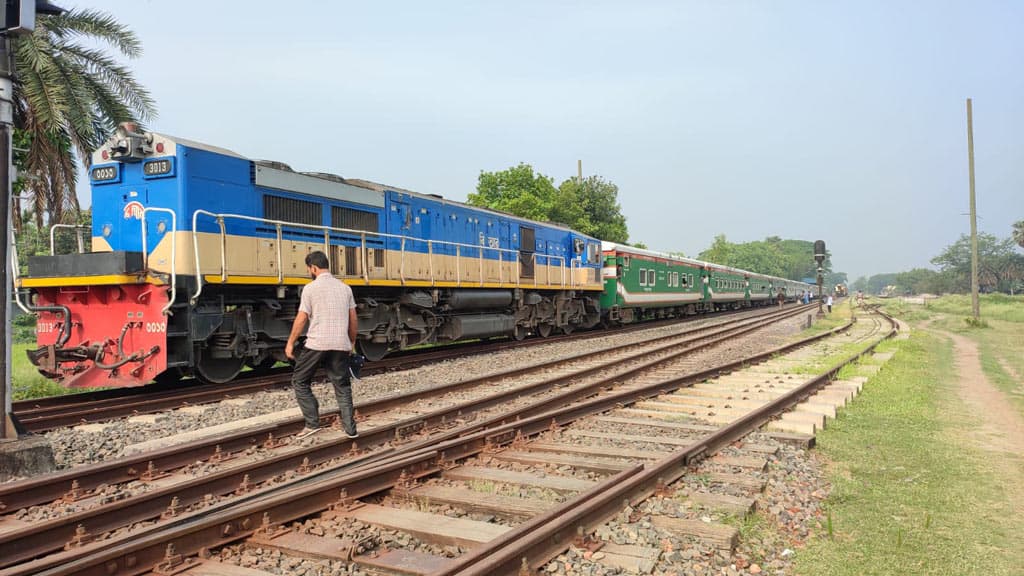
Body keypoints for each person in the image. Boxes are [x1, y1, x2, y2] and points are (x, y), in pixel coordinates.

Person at [285, 251, 359, 439]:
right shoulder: (345, 288)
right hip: (340, 343)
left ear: (314, 268)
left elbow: (301, 319)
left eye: (309, 268)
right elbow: (353, 320)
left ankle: (312, 423)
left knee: (300, 381)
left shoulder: (310, 288)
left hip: (317, 343)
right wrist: (351, 342)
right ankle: (350, 429)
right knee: (342, 385)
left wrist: (290, 343)